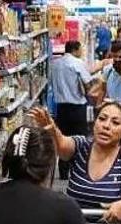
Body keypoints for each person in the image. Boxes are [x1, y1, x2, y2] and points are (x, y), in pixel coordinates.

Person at [50, 40, 95, 180]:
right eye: (80, 49)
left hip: (61, 109)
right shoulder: (77, 63)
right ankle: (79, 171)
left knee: (63, 140)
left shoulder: (55, 64)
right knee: (80, 140)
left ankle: (63, 172)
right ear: (75, 49)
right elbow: (88, 83)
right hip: (77, 108)